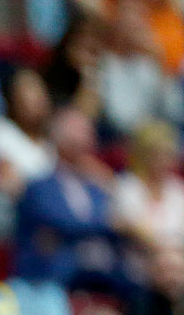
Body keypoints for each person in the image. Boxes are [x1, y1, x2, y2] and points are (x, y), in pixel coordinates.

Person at [13, 109, 121, 290]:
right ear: (60, 139)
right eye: (82, 132)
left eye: (89, 133)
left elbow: (114, 219)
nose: (89, 138)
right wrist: (109, 224)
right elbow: (64, 223)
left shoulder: (95, 185)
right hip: (53, 276)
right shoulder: (39, 187)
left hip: (101, 271)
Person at [98, 0, 183, 138]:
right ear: (116, 24)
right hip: (120, 140)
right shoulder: (104, 63)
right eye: (129, 20)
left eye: (140, 19)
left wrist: (160, 64)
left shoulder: (149, 63)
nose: (136, 26)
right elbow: (120, 119)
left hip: (156, 138)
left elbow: (174, 111)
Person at [112, 121, 184, 283]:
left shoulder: (177, 190)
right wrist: (166, 250)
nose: (164, 160)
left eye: (168, 154)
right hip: (139, 267)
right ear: (143, 155)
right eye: (157, 154)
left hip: (177, 264)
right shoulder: (128, 187)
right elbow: (131, 227)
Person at [0, 68, 56, 199]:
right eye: (28, 92)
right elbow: (7, 182)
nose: (37, 100)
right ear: (13, 99)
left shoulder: (50, 142)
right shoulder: (1, 131)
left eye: (40, 93)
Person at [128, 245, 184, 315]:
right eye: (164, 271)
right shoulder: (140, 308)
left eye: (177, 271)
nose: (171, 278)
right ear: (153, 273)